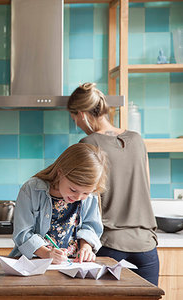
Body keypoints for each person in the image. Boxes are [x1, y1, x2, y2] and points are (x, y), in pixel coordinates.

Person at [67, 82, 159, 285]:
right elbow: (146, 188)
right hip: (146, 248)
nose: (76, 124)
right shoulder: (137, 140)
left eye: (74, 118)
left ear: (82, 114)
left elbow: (84, 202)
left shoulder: (88, 144)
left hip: (109, 247)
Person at [10, 143, 107, 264]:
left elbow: (90, 226)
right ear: (60, 173)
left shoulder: (91, 195)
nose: (78, 197)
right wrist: (47, 254)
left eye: (86, 193)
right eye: (73, 189)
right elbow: (22, 234)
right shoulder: (32, 189)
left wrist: (86, 248)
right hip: (35, 263)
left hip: (72, 264)